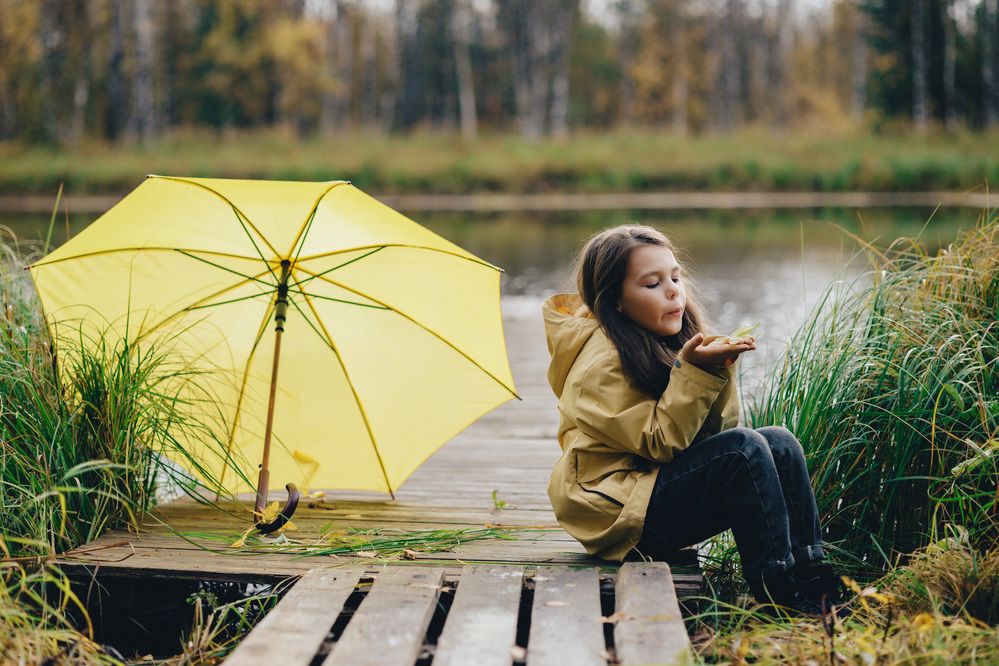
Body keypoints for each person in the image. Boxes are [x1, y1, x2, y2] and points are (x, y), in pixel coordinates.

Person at [541, 224, 845, 616]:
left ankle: (812, 576)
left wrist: (718, 369)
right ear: (615, 300)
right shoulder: (597, 370)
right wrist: (695, 374)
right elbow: (661, 443)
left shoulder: (656, 338)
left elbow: (713, 438)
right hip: (618, 514)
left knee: (778, 441)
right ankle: (778, 593)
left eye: (675, 277)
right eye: (652, 284)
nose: (673, 291)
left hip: (649, 487)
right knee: (746, 448)